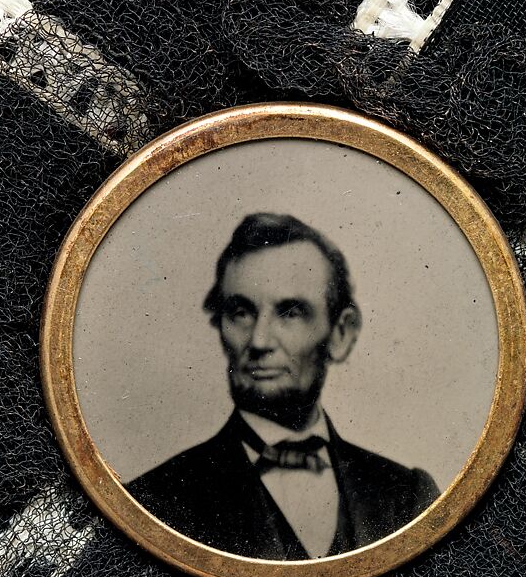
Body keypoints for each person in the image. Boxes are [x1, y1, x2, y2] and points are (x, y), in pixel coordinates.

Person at [128, 213, 439, 559]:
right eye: (241, 313)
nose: (259, 341)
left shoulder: (407, 496)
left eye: (290, 312)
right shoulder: (151, 503)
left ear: (341, 333)